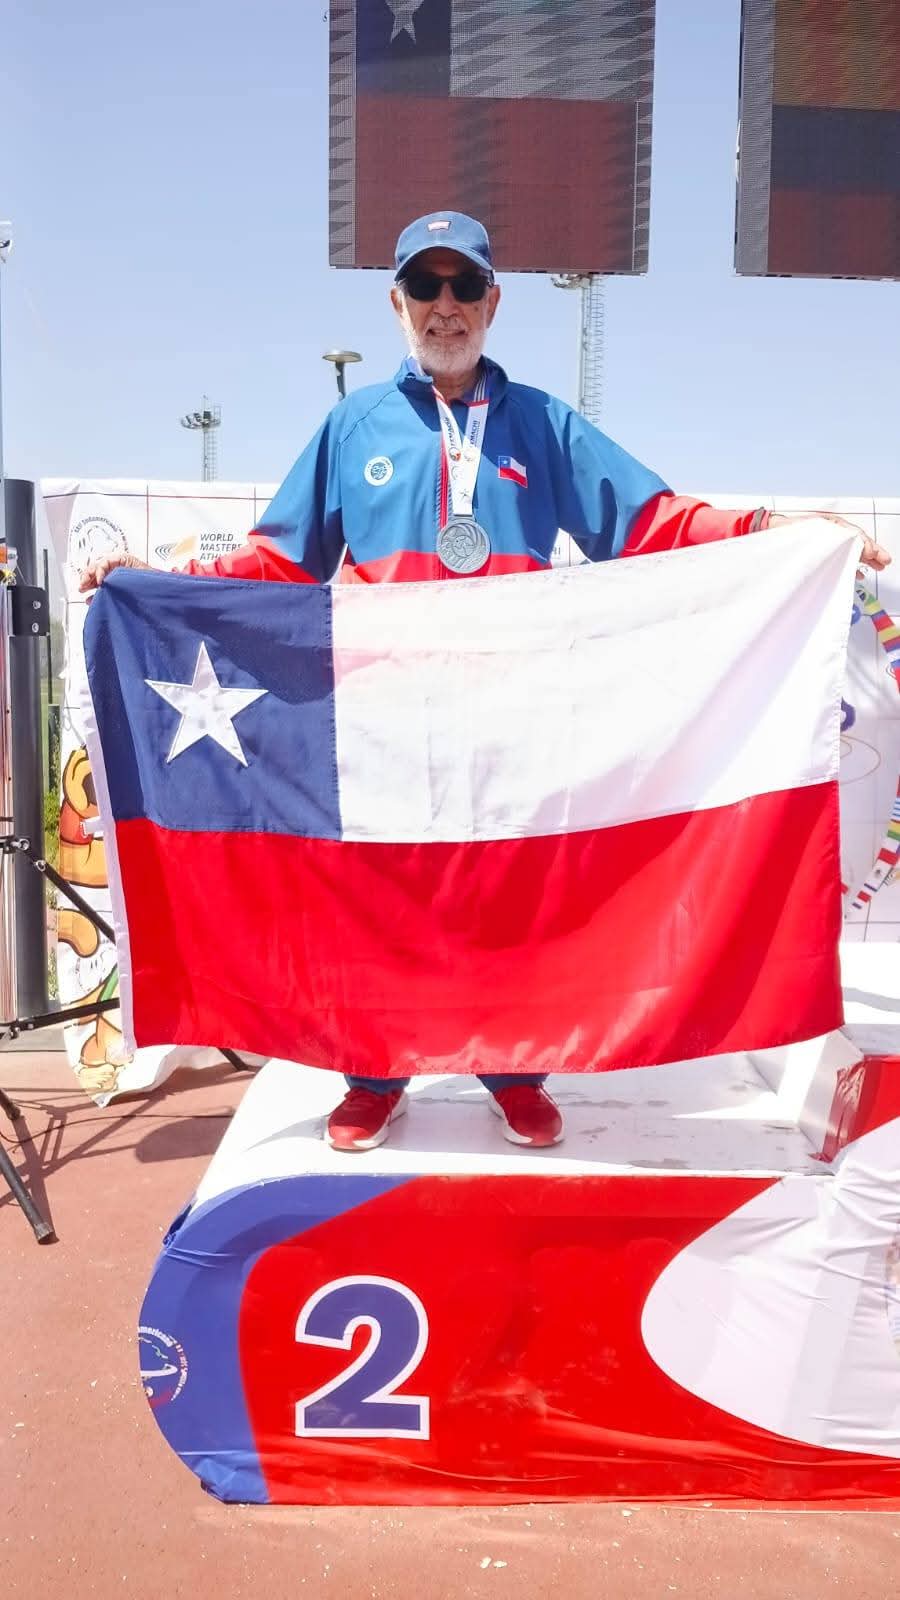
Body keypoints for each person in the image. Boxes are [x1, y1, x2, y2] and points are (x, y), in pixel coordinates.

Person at [82, 209, 890, 1154]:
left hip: (514, 704)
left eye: (464, 286)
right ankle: (375, 1073)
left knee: (512, 884)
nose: (446, 306)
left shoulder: (540, 420)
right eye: (425, 287)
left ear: (494, 301)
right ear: (397, 304)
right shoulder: (354, 425)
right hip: (384, 710)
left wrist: (764, 530)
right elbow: (280, 557)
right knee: (382, 888)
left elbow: (651, 520)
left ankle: (515, 1065)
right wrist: (157, 584)